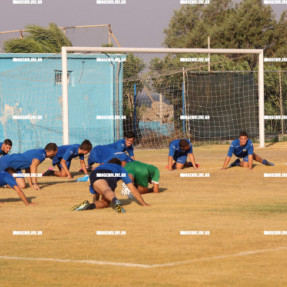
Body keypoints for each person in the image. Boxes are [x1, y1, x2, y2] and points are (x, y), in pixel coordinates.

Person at [72, 158, 149, 213]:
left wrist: (95, 202)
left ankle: (88, 206)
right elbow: (132, 188)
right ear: (119, 164)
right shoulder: (121, 169)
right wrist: (143, 203)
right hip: (111, 175)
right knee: (107, 190)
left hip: (95, 174)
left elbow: (96, 193)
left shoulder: (100, 166)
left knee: (105, 201)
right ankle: (116, 201)